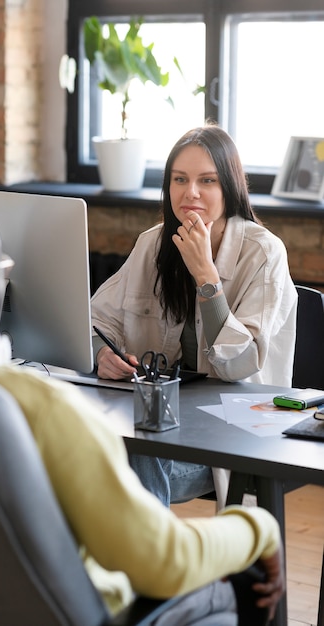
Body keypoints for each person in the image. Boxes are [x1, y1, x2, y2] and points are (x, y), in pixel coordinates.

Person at [0, 193, 285, 625]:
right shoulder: (43, 410)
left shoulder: (260, 251)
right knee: (241, 584)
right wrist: (259, 529)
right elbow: (163, 562)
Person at [91, 124, 298, 508]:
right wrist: (102, 354)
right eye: (179, 179)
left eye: (207, 180)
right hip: (164, 419)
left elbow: (240, 364)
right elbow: (96, 321)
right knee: (92, 449)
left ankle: (152, 564)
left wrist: (206, 275)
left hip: (233, 431)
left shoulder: (264, 253)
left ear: (230, 188)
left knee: (134, 457)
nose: (191, 193)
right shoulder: (152, 244)